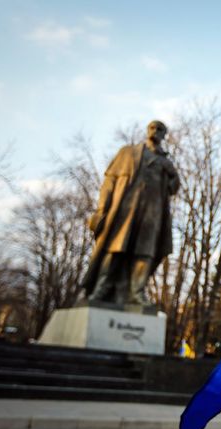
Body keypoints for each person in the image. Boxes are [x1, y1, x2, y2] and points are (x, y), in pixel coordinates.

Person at [82, 120, 179, 309]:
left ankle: (136, 292)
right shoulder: (128, 153)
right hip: (125, 212)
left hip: (152, 216)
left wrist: (173, 174)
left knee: (145, 253)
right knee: (116, 249)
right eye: (152, 127)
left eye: (160, 129)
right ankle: (102, 289)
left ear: (164, 135)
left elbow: (173, 188)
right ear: (147, 130)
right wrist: (102, 209)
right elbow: (109, 182)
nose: (155, 131)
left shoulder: (165, 162)